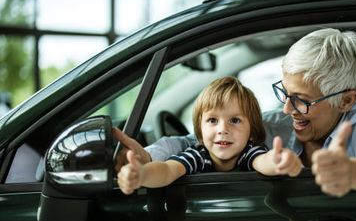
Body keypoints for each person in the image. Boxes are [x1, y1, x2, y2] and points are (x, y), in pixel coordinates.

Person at [116, 28, 356, 204]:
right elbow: (191, 143)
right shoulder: (278, 121)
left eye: (301, 101)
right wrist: (149, 157)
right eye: (284, 93)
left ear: (347, 100)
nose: (287, 110)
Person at [115, 76, 302, 195]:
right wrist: (143, 174)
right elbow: (167, 171)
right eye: (212, 120)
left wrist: (279, 161)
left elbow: (263, 161)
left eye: (235, 120)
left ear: (252, 132)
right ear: (200, 130)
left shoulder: (249, 152)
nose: (223, 129)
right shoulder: (197, 156)